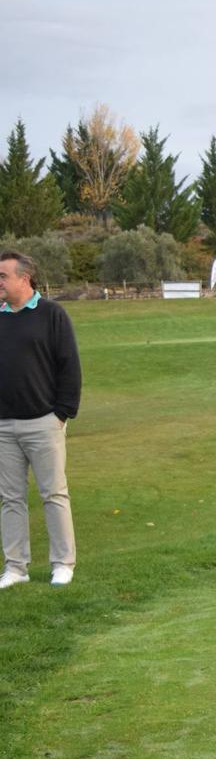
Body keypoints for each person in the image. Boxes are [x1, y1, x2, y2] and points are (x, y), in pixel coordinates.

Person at [0, 252, 81, 590]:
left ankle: (63, 563)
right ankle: (16, 567)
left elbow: (69, 366)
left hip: (44, 421)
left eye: (3, 275)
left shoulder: (51, 314)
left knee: (54, 495)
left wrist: (62, 413)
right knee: (10, 498)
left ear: (24, 278)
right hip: (4, 426)